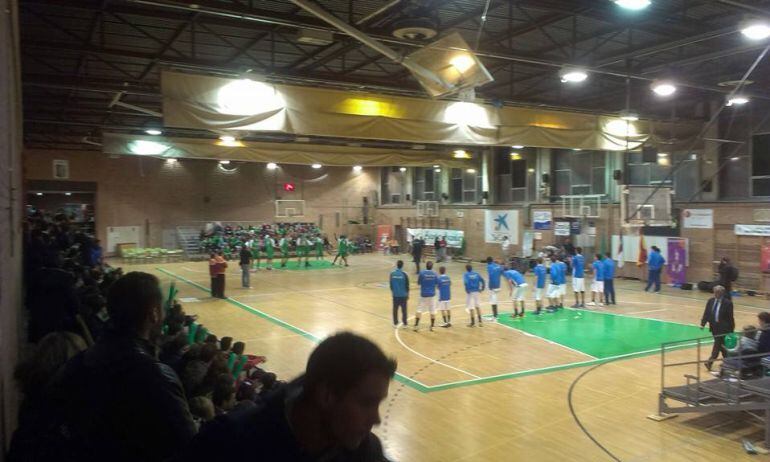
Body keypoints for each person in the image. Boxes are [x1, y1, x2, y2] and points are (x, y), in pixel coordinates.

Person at [46, 272, 197, 461]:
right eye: (162, 309)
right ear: (154, 313)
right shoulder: (156, 376)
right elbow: (191, 446)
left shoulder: (80, 361)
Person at [180, 332, 397, 462]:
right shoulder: (226, 443)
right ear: (327, 395)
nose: (376, 419)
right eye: (366, 403)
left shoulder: (365, 452)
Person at [700, 285, 735, 371]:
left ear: (722, 293)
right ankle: (728, 362)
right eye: (715, 292)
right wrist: (703, 323)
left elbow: (730, 317)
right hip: (714, 327)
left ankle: (710, 362)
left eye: (718, 292)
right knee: (721, 346)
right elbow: (707, 313)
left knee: (717, 344)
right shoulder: (710, 301)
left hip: (724, 328)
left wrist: (731, 329)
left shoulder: (728, 303)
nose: (716, 294)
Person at [415, 261, 438, 331]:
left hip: (423, 294)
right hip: (432, 295)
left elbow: (418, 283)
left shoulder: (422, 273)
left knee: (419, 310)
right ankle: (432, 326)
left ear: (426, 266)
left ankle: (416, 325)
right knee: (433, 310)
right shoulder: (435, 273)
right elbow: (436, 283)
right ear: (432, 266)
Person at [389, 260, 409, 328]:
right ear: (402, 265)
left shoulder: (392, 273)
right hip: (403, 295)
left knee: (395, 309)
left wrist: (394, 291)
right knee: (404, 310)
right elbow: (407, 286)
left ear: (396, 265)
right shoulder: (405, 274)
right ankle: (405, 323)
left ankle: (395, 323)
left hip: (395, 295)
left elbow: (391, 285)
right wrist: (407, 294)